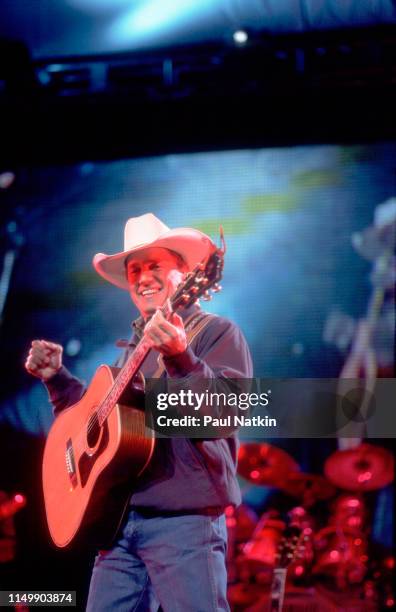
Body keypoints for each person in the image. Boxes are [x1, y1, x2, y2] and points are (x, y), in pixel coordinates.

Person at [25, 212, 253, 612]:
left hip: (184, 526)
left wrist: (182, 357)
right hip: (118, 525)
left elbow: (225, 414)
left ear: (185, 275)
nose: (143, 277)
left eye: (154, 266)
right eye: (134, 270)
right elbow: (100, 417)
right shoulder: (132, 349)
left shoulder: (216, 333)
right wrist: (57, 380)